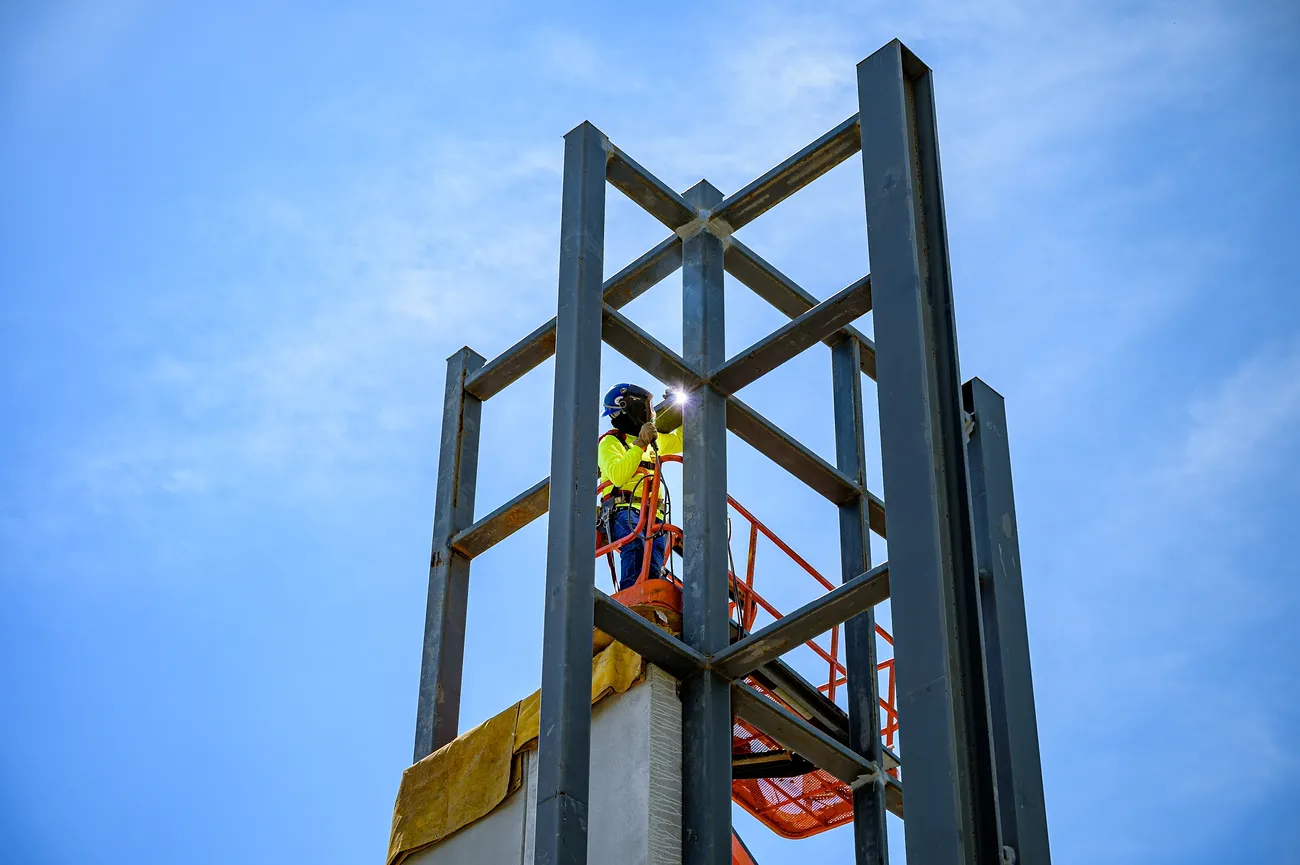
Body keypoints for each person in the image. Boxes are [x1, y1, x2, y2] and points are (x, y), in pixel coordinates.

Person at [598, 383, 683, 590]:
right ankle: (631, 600)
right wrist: (639, 445)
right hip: (622, 511)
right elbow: (619, 476)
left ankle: (647, 601)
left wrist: (682, 411)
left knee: (653, 563)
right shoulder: (610, 442)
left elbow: (684, 440)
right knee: (635, 544)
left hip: (655, 515)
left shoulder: (654, 440)